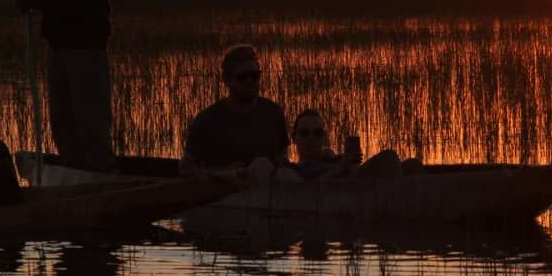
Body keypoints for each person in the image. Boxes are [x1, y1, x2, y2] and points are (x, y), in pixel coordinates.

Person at [17, 0, 116, 171]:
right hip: (59, 44)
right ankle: (74, 171)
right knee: (62, 119)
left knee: (91, 117)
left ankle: (100, 171)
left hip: (85, 44)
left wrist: (39, 3)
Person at [181, 45, 289, 177]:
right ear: (226, 80)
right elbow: (186, 168)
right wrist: (224, 174)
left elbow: (283, 152)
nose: (250, 81)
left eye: (254, 76)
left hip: (266, 192)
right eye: (242, 77)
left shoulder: (273, 113)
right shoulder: (207, 120)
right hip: (224, 193)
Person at [286, 108, 425, 180]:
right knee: (389, 158)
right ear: (294, 138)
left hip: (357, 180)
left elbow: (351, 166)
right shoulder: (295, 171)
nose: (311, 138)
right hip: (346, 189)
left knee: (413, 164)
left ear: (323, 137)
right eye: (304, 133)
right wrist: (339, 169)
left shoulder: (331, 158)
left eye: (317, 133)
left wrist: (349, 160)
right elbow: (309, 189)